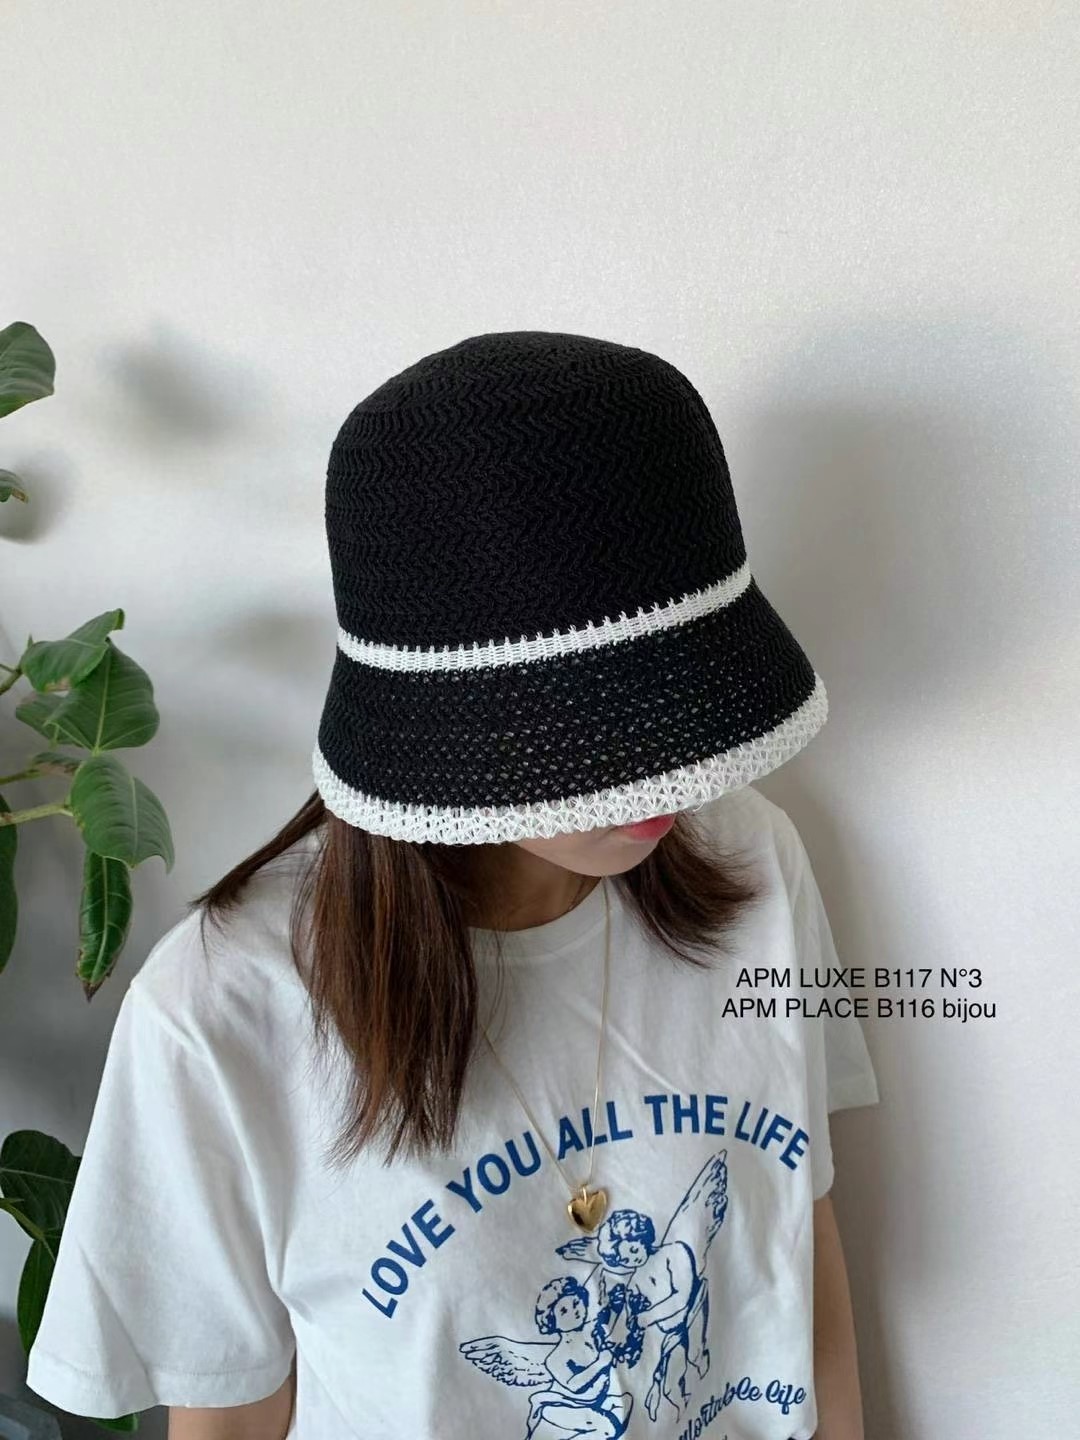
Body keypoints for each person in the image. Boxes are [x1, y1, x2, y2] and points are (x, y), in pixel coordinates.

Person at [24, 330, 880, 1440]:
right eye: (580, 725)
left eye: (674, 701)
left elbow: (802, 1253)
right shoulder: (224, 1009)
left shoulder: (753, 862)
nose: (659, 772)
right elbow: (229, 1418)